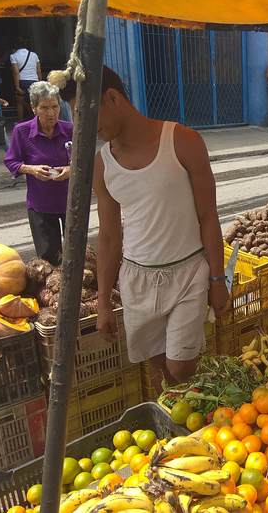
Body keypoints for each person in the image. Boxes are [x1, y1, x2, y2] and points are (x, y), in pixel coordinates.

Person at [79, 67, 228, 392]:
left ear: (112, 98)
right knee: (160, 363)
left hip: (188, 273)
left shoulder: (183, 141)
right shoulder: (103, 164)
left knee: (181, 364)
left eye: (89, 114)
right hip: (137, 280)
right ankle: (184, 423)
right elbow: (108, 236)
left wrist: (217, 279)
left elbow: (208, 216)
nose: (86, 127)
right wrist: (103, 302)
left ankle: (187, 402)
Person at [3, 82, 71, 265]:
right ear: (34, 108)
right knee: (49, 259)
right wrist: (31, 169)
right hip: (41, 205)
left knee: (76, 255)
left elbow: (84, 162)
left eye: (55, 107)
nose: (51, 113)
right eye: (44, 107)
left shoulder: (70, 130)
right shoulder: (22, 132)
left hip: (70, 203)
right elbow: (11, 161)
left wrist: (70, 170)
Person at [10, 39, 41, 121]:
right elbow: (38, 70)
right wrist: (40, 81)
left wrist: (17, 87)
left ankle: (20, 122)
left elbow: (16, 72)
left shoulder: (14, 56)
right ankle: (38, 120)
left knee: (20, 102)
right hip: (35, 81)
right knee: (36, 101)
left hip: (22, 81)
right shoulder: (34, 55)